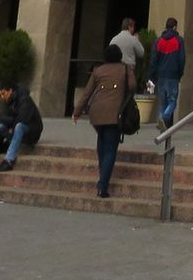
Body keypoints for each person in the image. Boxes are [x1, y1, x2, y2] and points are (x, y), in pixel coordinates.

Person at [71, 43, 133, 198]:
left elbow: (86, 93)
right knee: (110, 149)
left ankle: (102, 177)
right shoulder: (125, 69)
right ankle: (102, 186)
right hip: (115, 114)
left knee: (102, 145)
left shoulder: (98, 70)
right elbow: (132, 86)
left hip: (97, 113)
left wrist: (77, 112)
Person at [0, 85, 45, 170]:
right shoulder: (8, 101)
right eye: (0, 95)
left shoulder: (25, 100)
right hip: (17, 129)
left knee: (19, 126)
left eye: (3, 93)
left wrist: (12, 128)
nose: (2, 97)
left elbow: (23, 118)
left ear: (10, 91)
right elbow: (7, 117)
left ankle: (9, 159)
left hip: (32, 130)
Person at [147, 17, 185, 129]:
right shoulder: (179, 40)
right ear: (175, 27)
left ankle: (161, 121)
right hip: (173, 75)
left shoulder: (158, 41)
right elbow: (181, 59)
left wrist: (151, 76)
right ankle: (164, 118)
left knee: (163, 102)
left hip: (161, 75)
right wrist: (180, 73)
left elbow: (153, 60)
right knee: (172, 101)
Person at [108, 17, 144, 81]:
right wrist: (138, 40)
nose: (133, 29)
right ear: (129, 27)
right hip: (128, 71)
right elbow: (141, 53)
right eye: (133, 27)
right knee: (128, 89)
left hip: (115, 70)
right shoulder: (133, 39)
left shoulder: (113, 39)